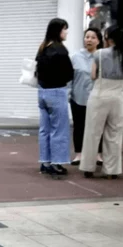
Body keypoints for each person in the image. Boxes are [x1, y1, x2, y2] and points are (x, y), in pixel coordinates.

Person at [79, 25, 123, 179]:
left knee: (93, 132)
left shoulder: (99, 54)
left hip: (99, 94)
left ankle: (88, 167)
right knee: (114, 135)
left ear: (107, 38)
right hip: (118, 97)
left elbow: (93, 76)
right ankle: (111, 171)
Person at [36, 18, 74, 176]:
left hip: (42, 92)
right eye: (64, 29)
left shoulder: (43, 47)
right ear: (58, 30)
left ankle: (45, 162)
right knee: (59, 129)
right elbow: (69, 73)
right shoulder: (60, 50)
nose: (66, 32)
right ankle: (57, 163)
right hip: (57, 91)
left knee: (45, 129)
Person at [70, 28, 104, 165]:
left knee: (98, 126)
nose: (89, 40)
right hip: (78, 96)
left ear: (99, 41)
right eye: (87, 37)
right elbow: (69, 77)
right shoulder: (75, 57)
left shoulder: (102, 57)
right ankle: (79, 154)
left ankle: (98, 154)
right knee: (79, 126)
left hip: (98, 97)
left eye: (93, 37)